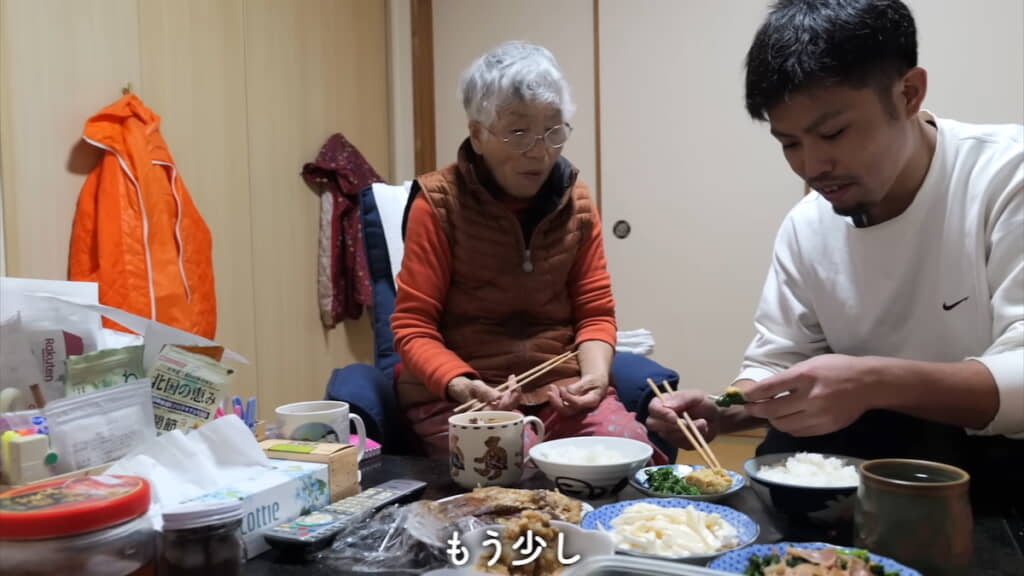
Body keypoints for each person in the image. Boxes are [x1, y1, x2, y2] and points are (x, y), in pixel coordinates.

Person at [648, 0, 1022, 505]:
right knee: (779, 462)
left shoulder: (1005, 177)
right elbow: (778, 359)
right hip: (862, 447)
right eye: (789, 143)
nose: (812, 166)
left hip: (993, 453)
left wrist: (873, 382)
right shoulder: (809, 222)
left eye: (833, 133)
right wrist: (726, 409)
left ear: (908, 94)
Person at [393, 41, 668, 463]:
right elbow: (414, 326)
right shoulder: (437, 204)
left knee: (626, 460)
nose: (539, 151)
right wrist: (461, 383)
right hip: (462, 397)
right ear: (478, 134)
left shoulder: (576, 201)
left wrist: (595, 377)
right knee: (512, 472)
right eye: (518, 132)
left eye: (553, 130)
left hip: (560, 392)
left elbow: (595, 313)